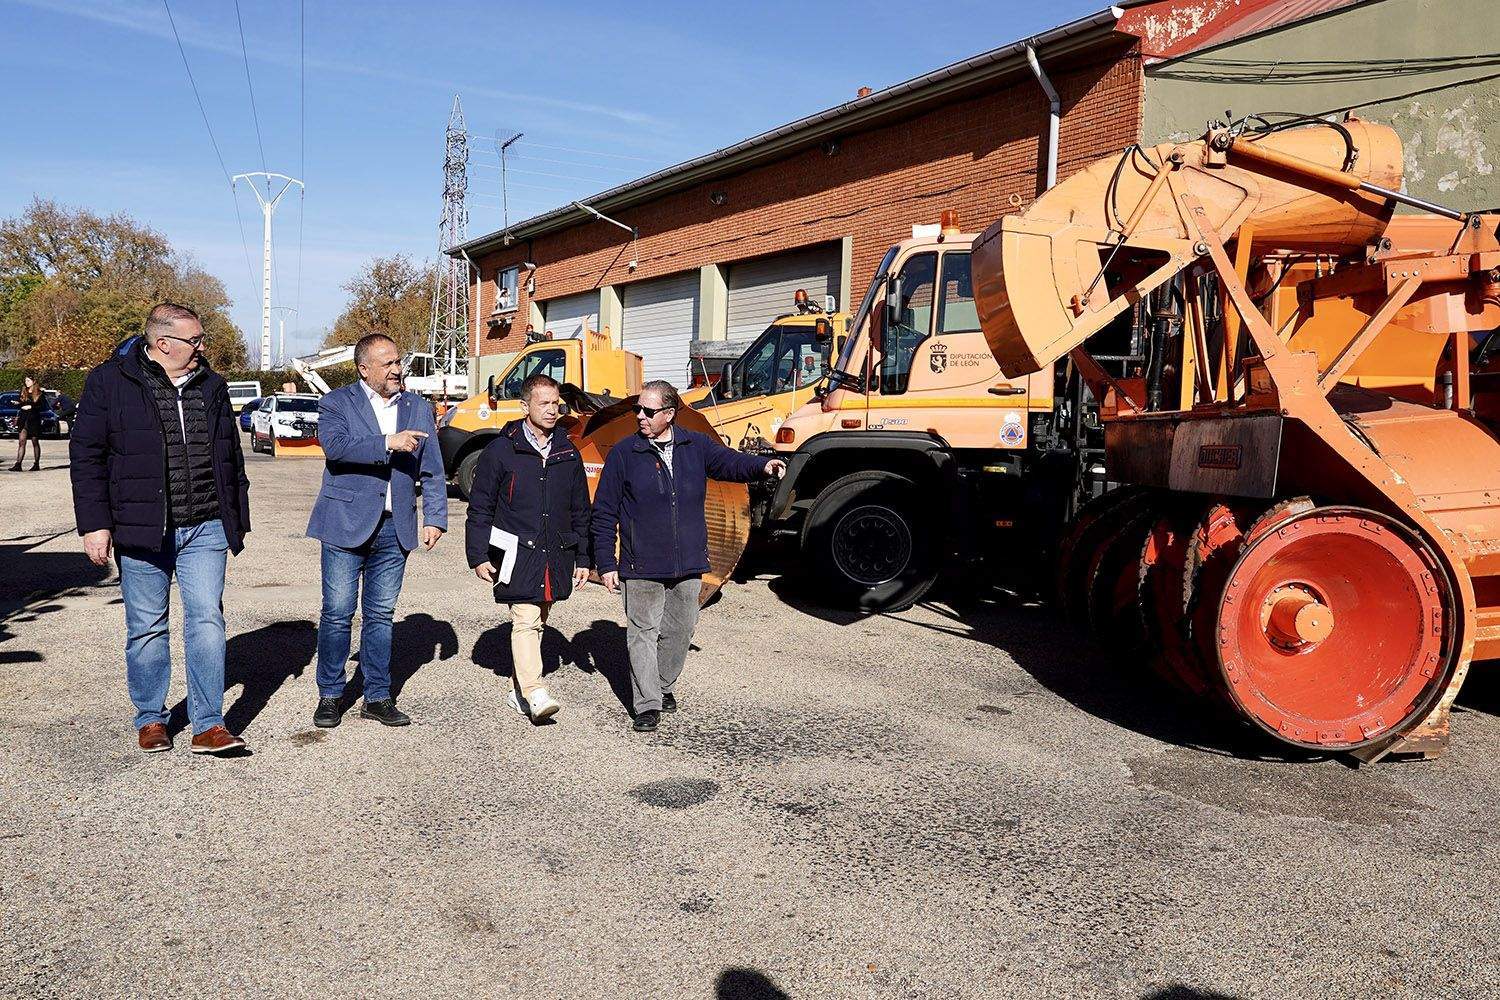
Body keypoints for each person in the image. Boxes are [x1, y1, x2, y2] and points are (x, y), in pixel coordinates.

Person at [70, 302, 252, 755]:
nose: (202, 347)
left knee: (207, 619)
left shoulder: (211, 385)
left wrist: (237, 515)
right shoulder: (109, 382)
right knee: (147, 626)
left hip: (205, 525)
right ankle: (152, 717)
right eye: (194, 340)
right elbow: (87, 458)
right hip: (141, 529)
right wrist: (95, 525)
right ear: (162, 343)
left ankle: (209, 723)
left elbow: (231, 455)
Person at [591, 380, 785, 732]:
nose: (640, 416)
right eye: (638, 409)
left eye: (648, 411)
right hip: (641, 561)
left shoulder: (694, 445)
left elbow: (729, 463)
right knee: (642, 632)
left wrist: (762, 466)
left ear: (669, 414)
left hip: (688, 560)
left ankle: (663, 686)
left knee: (680, 629)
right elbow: (604, 512)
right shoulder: (624, 453)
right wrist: (605, 561)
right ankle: (647, 703)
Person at [307, 333, 448, 729]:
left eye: (398, 361)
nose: (397, 369)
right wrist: (388, 442)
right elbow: (335, 447)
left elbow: (432, 468)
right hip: (344, 525)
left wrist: (435, 516)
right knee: (336, 613)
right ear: (363, 368)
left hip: (394, 528)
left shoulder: (418, 407)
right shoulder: (336, 403)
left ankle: (377, 696)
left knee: (381, 615)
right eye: (387, 363)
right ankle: (331, 695)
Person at [465, 373, 590, 722]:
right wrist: (477, 554)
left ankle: (518, 690)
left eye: (556, 404)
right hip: (514, 550)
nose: (552, 410)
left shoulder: (568, 451)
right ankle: (535, 691)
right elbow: (480, 507)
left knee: (541, 615)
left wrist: (584, 556)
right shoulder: (500, 451)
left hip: (556, 551)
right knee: (527, 618)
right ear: (525, 406)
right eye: (544, 403)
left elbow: (581, 509)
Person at [11, 374, 43, 471]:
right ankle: (18, 464)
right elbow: (21, 403)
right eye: (25, 381)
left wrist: (31, 407)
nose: (26, 382)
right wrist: (18, 403)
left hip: (33, 419)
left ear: (33, 381)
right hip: (23, 418)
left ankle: (36, 464)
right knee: (21, 441)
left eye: (28, 380)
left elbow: (40, 406)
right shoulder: (23, 391)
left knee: (34, 441)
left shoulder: (39, 393)